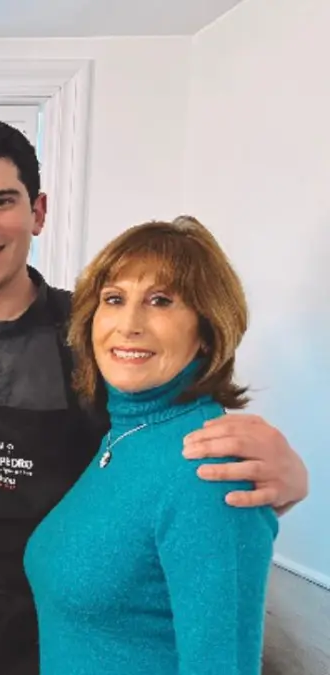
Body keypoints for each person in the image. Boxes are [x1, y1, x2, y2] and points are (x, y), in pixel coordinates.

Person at [0, 117, 308, 674]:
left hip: (70, 628)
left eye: (2, 200)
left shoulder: (99, 337)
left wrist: (287, 474)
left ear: (38, 212)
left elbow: (176, 444)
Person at [24, 216, 278, 674]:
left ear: (206, 331)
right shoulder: (123, 437)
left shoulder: (209, 466)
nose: (129, 324)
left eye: (160, 301)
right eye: (114, 299)